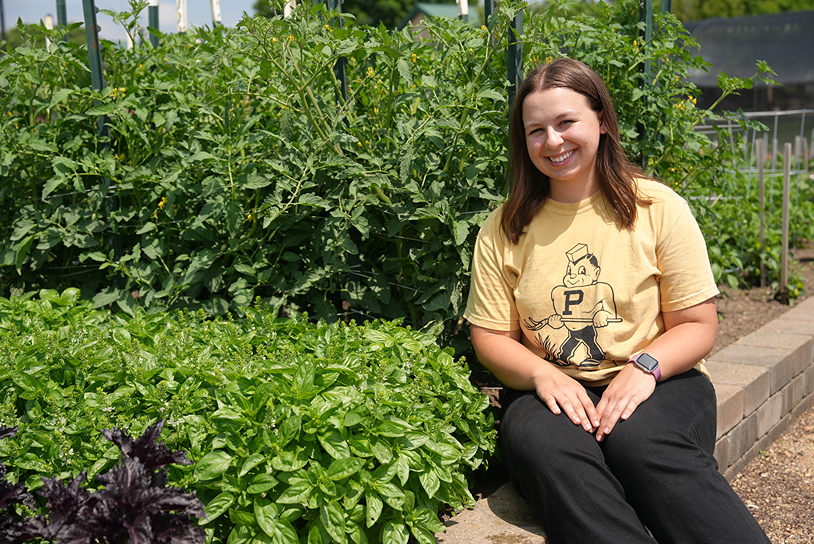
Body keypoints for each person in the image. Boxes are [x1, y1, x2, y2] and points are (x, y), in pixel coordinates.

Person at [463, 58, 769, 544]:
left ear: (601, 120)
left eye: (566, 122)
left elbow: (697, 324)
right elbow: (491, 336)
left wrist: (645, 366)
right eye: (536, 130)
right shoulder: (505, 227)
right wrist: (543, 374)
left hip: (663, 380)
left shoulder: (656, 208)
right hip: (551, 391)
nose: (553, 141)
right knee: (549, 452)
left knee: (640, 442)